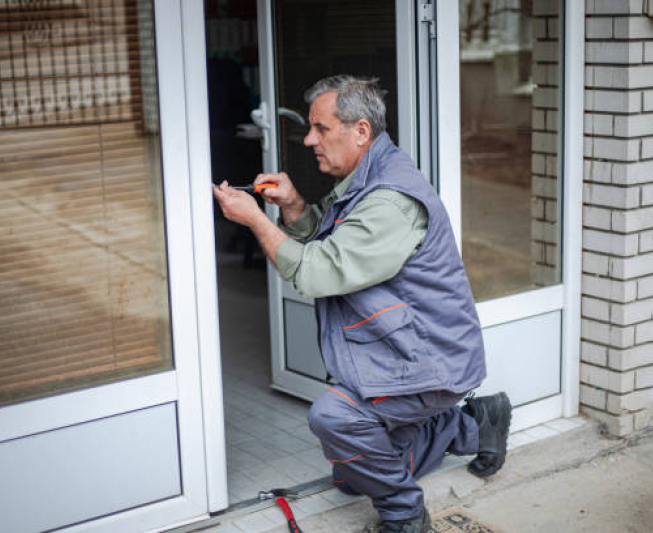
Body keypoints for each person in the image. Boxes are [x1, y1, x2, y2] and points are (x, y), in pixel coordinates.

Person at [212, 75, 511, 533]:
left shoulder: (390, 198)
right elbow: (336, 250)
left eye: (321, 128)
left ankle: (405, 516)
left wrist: (255, 220)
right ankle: (474, 424)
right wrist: (292, 206)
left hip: (430, 361)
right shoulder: (366, 176)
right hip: (398, 352)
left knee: (334, 418)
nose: (310, 140)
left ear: (361, 131)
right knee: (351, 476)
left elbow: (315, 272)